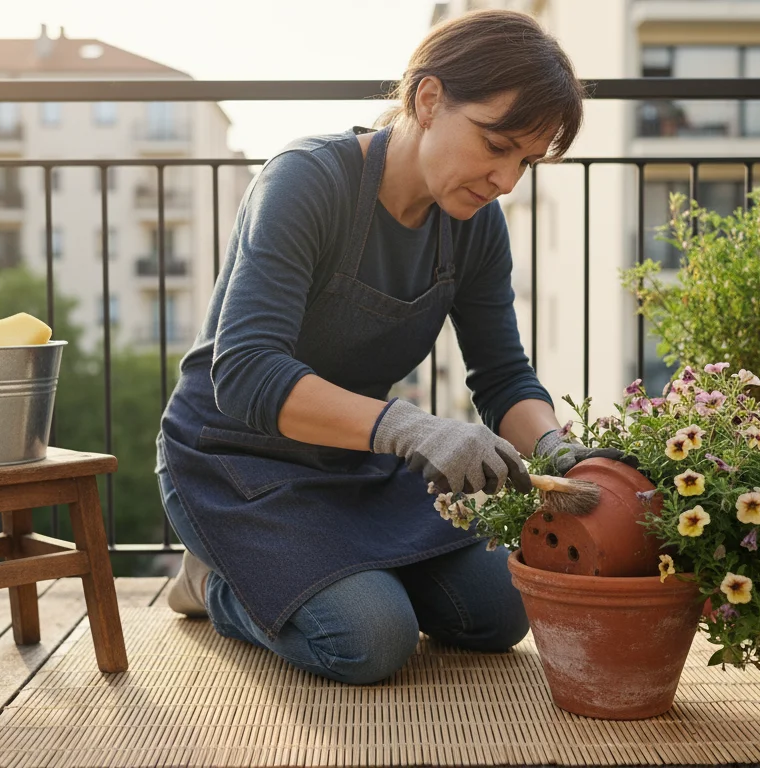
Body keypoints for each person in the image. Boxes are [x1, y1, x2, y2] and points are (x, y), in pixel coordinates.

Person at [155, 9, 625, 685]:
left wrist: (558, 449)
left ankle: (332, 579)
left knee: (501, 611)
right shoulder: (307, 179)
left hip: (352, 458)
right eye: (497, 145)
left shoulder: (476, 226)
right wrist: (412, 428)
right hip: (233, 462)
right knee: (370, 638)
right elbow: (248, 372)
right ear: (429, 99)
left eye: (525, 160)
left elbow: (502, 375)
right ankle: (214, 584)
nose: (507, 180)